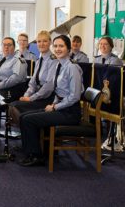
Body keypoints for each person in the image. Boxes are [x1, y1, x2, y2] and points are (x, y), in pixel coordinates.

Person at [19, 35, 83, 166]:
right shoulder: (59, 65)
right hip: (60, 107)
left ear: (68, 48)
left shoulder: (72, 68)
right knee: (23, 116)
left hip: (70, 113)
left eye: (61, 46)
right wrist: (53, 103)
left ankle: (36, 156)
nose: (58, 49)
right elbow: (57, 90)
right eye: (56, 46)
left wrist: (55, 107)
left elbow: (75, 96)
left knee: (28, 120)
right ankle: (34, 151)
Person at [8, 30, 57, 129]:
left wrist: (31, 98)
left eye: (44, 41)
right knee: (12, 106)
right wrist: (26, 96)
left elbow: (48, 86)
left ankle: (31, 133)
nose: (41, 44)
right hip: (38, 95)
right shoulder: (39, 60)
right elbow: (33, 82)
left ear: (50, 42)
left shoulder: (53, 60)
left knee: (14, 107)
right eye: (39, 41)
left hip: (48, 98)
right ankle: (30, 132)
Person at [0, 37, 28, 101]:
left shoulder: (19, 61)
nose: (6, 47)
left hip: (9, 89)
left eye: (9, 45)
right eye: (4, 45)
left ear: (14, 47)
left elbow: (16, 79)